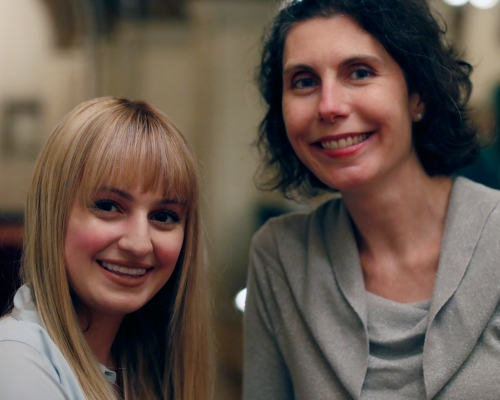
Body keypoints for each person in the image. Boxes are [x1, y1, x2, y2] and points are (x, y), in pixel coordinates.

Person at [244, 0, 500, 398]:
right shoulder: (281, 256)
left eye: (359, 72)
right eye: (304, 81)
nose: (329, 106)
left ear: (418, 95)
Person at [0, 97, 212, 400]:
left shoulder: (142, 361)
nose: (139, 244)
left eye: (164, 216)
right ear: (52, 214)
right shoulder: (16, 363)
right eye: (108, 206)